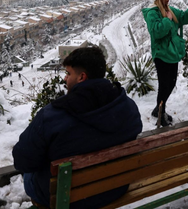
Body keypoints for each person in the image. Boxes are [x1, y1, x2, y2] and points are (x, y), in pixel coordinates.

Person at [13, 46, 142, 208]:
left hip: (66, 198)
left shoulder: (52, 116)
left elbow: (22, 160)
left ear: (82, 77)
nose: (65, 79)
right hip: (115, 187)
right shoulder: (127, 106)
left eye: (68, 73)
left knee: (31, 174)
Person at [142, 0, 188, 126]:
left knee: (171, 84)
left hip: (173, 52)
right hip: (161, 54)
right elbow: (156, 32)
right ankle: (161, 113)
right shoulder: (152, 13)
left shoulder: (170, 10)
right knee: (164, 84)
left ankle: (159, 109)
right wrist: (167, 19)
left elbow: (184, 18)